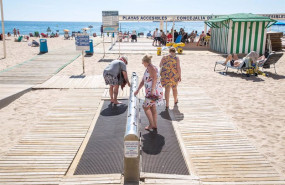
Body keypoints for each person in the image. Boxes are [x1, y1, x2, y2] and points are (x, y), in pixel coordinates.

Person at [134, 55, 163, 131]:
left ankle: (151, 124)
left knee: (145, 107)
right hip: (152, 91)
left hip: (153, 91)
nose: (142, 63)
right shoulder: (150, 67)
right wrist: (138, 90)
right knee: (152, 107)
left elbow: (155, 78)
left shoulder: (151, 68)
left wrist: (152, 90)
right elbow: (143, 80)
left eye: (142, 62)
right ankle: (154, 125)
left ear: (146, 62)